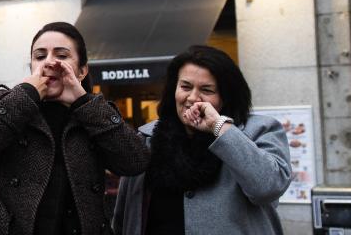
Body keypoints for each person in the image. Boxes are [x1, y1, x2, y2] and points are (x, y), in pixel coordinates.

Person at [0, 22, 149, 235]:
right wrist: (26, 94)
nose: (49, 62)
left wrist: (83, 102)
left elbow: (135, 161)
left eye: (62, 55)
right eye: (40, 56)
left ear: (82, 70)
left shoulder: (94, 113)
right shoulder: (6, 103)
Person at [112, 45, 292, 234]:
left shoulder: (260, 130)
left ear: (226, 96)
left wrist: (219, 126)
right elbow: (123, 219)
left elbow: (268, 188)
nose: (193, 98)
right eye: (185, 87)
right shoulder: (147, 139)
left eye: (206, 90)